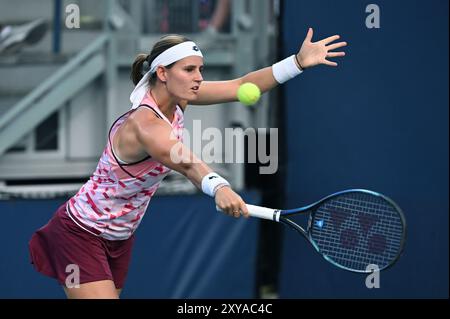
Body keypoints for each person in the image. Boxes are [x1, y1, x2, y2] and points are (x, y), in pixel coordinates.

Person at [28, 28, 346, 299]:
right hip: (80, 233)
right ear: (163, 73)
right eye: (189, 69)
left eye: (200, 69)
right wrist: (219, 186)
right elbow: (186, 162)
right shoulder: (145, 125)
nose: (198, 78)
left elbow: (240, 86)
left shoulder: (179, 99)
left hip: (119, 237)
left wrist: (298, 62)